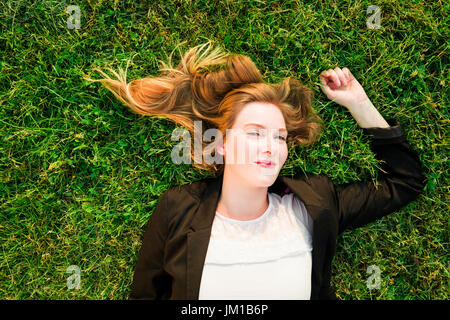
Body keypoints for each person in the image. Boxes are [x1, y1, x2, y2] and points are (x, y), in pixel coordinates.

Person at [84, 41, 427, 300]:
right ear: (221, 143)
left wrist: (358, 103)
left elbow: (404, 181)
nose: (271, 147)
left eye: (279, 137)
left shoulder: (313, 205)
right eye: (254, 133)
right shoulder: (178, 208)